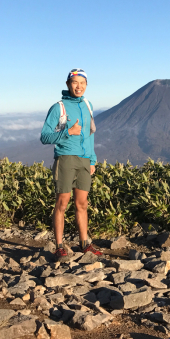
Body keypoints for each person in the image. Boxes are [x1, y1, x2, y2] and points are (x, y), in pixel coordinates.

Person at [40, 68, 102, 261]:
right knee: (62, 203)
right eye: (75, 82)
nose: (79, 86)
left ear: (86, 85)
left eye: (82, 83)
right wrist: (68, 132)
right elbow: (44, 136)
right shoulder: (59, 107)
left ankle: (85, 244)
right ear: (68, 84)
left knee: (82, 203)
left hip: (84, 160)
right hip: (65, 158)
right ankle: (59, 246)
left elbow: (90, 134)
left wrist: (91, 160)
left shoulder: (88, 105)